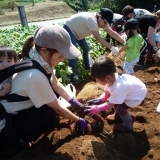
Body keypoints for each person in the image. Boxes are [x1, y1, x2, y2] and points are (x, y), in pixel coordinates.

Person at [0, 24, 89, 158]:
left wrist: (77, 104)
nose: (63, 59)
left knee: (50, 106)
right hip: (5, 122)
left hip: (15, 111)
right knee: (48, 116)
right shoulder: (35, 76)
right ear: (45, 51)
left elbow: (55, 83)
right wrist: (79, 120)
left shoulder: (37, 59)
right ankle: (13, 144)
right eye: (60, 56)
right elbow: (57, 108)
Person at [85, 56, 147, 132]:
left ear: (108, 78)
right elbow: (107, 93)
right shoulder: (112, 79)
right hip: (132, 91)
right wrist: (99, 100)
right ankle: (118, 117)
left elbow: (109, 105)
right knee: (117, 103)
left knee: (121, 108)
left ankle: (128, 124)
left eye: (97, 79)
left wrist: (97, 108)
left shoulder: (119, 87)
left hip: (136, 96)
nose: (96, 81)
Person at [63, 8, 126, 82]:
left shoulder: (101, 21)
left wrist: (124, 42)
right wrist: (112, 47)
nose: (104, 25)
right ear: (100, 16)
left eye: (106, 23)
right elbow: (98, 38)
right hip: (69, 29)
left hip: (78, 33)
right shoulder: (91, 20)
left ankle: (87, 66)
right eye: (105, 22)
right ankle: (73, 75)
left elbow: (112, 33)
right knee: (73, 52)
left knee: (86, 48)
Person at [0, 45, 18, 134]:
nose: (5, 64)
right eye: (0, 61)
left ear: (16, 61)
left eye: (9, 61)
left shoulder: (14, 73)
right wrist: (4, 91)